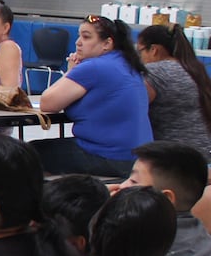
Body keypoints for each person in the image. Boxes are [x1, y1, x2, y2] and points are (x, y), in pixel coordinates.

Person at [36, 14, 152, 177]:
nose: (78, 42)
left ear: (107, 43)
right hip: (138, 157)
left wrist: (71, 70)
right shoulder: (128, 64)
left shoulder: (94, 66)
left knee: (30, 153)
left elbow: (48, 103)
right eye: (79, 36)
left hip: (110, 156)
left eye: (86, 37)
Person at [137, 24, 211, 160]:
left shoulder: (154, 72)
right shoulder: (194, 68)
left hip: (172, 157)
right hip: (203, 152)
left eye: (140, 51)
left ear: (154, 50)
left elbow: (134, 108)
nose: (139, 57)